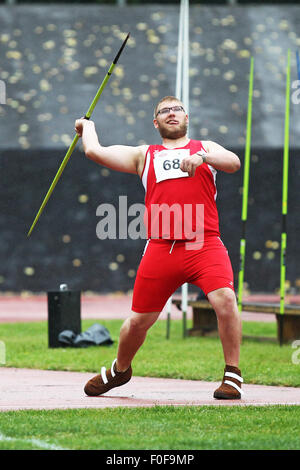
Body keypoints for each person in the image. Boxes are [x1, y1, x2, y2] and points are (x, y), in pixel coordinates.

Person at [75, 96, 243, 400]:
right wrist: (87, 127)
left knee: (226, 300)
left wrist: (204, 157)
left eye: (177, 109)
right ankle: (119, 370)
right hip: (161, 247)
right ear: (156, 122)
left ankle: (232, 376)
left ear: (187, 117)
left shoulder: (206, 147)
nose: (171, 114)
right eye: (164, 111)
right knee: (139, 321)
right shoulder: (144, 155)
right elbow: (94, 151)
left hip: (204, 243)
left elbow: (234, 163)